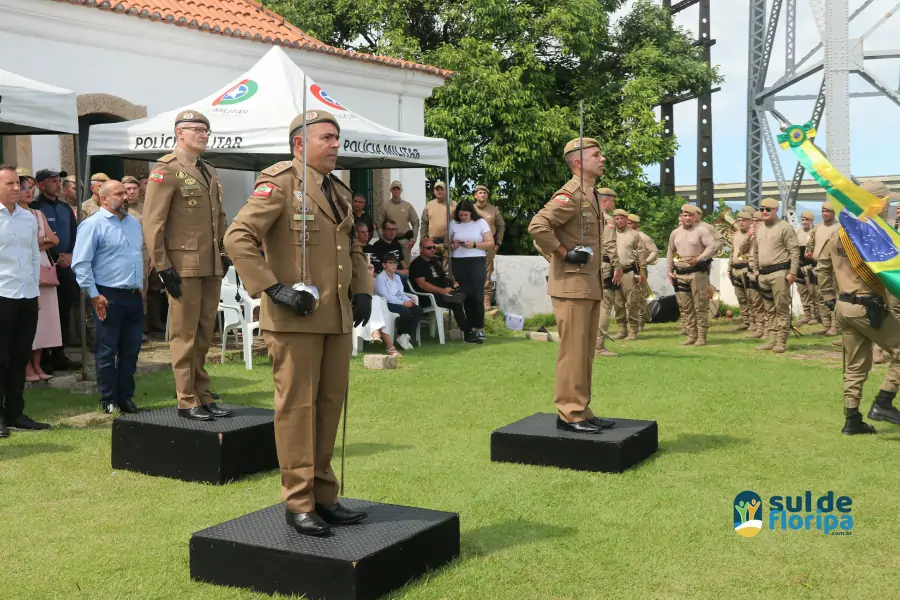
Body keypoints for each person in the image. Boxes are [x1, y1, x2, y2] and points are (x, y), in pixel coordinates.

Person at [224, 109, 373, 536]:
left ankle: (325, 496)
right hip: (294, 319)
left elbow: (353, 247)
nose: (334, 146)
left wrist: (361, 288)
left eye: (337, 139)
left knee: (328, 407)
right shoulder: (281, 184)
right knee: (297, 410)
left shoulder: (338, 191)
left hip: (335, 318)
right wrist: (273, 288)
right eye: (326, 138)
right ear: (298, 143)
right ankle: (299, 501)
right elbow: (237, 238)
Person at [143, 110, 231, 421]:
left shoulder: (208, 169)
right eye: (197, 129)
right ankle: (186, 398)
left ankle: (203, 393)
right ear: (180, 133)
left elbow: (218, 216)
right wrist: (163, 266)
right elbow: (153, 222)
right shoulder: (166, 169)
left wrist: (224, 249)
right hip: (183, 264)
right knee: (185, 334)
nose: (204, 134)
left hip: (209, 263)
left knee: (206, 332)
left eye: (206, 130)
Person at [528, 137, 618, 434]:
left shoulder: (590, 194)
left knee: (585, 351)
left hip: (587, 284)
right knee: (573, 351)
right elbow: (538, 226)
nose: (602, 158)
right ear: (578, 162)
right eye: (596, 155)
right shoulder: (570, 195)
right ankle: (569, 413)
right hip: (571, 285)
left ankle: (581, 408)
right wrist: (565, 253)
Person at [815, 220, 900, 435]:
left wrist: (829, 299)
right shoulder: (872, 233)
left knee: (854, 366)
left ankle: (852, 419)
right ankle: (884, 401)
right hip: (869, 306)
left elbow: (822, 266)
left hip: (844, 306)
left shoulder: (838, 233)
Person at [72, 181, 146, 414]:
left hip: (133, 295)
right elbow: (81, 264)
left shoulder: (134, 223)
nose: (125, 197)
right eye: (119, 193)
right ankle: (108, 398)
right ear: (104, 199)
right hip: (108, 295)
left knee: (131, 351)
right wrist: (94, 295)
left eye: (126, 193)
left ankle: (126, 397)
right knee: (107, 350)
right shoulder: (93, 225)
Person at [0, 166, 45, 437]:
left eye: (18, 183)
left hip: (27, 294)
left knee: (20, 357)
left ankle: (15, 412)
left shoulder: (28, 218)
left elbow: (32, 256)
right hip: (2, 294)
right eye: (9, 184)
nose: (17, 188)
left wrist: (35, 289)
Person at [30, 169, 82, 372]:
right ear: (41, 185)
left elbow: (75, 234)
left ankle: (60, 353)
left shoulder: (65, 208)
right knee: (45, 313)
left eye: (59, 181)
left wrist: (70, 255)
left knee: (64, 310)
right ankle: (43, 357)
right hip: (46, 266)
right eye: (53, 181)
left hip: (66, 267)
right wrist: (55, 257)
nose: (58, 184)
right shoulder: (35, 208)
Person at [18, 175, 61, 382]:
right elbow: (22, 244)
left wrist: (40, 241)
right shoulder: (11, 216)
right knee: (27, 321)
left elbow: (54, 239)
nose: (28, 191)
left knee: (45, 322)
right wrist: (43, 241)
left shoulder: (37, 213)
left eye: (31, 187)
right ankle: (25, 366)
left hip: (44, 269)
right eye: (23, 187)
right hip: (26, 269)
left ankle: (37, 364)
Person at [749, 198, 799, 354]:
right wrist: (756, 271)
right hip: (763, 274)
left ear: (776, 210)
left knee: (781, 308)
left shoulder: (785, 227)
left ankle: (781, 341)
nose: (764, 212)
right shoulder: (759, 229)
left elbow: (794, 251)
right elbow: (755, 251)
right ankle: (772, 338)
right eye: (762, 209)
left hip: (779, 273)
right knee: (769, 309)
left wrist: (792, 272)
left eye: (768, 209)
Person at [409, 237, 478, 344]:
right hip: (427, 297)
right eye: (429, 248)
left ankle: (473, 328)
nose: (432, 250)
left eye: (433, 247)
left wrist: (453, 283)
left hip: (442, 293)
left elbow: (442, 277)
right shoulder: (417, 264)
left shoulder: (434, 262)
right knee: (456, 302)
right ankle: (468, 333)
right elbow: (422, 285)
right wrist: (442, 291)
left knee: (469, 292)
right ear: (421, 249)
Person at [666, 204, 717, 346]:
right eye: (685, 215)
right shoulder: (675, 233)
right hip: (680, 273)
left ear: (695, 217)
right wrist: (669, 269)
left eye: (690, 215)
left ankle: (701, 337)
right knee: (686, 306)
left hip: (697, 273)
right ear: (681, 216)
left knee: (700, 305)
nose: (687, 218)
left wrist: (700, 258)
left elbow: (712, 246)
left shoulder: (701, 230)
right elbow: (670, 251)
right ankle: (691, 335)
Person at [449, 199, 493, 339]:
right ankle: (469, 329)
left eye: (465, 215)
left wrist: (474, 245)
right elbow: (446, 243)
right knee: (465, 294)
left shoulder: (480, 222)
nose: (462, 217)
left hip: (476, 260)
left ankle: (479, 327)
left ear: (471, 213)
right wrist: (452, 245)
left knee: (477, 295)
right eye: (460, 215)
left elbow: (490, 243)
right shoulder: (453, 223)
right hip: (459, 261)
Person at [607, 209, 644, 341]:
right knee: (617, 303)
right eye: (616, 218)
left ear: (626, 219)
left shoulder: (634, 234)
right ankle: (621, 329)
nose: (619, 221)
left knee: (632, 301)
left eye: (622, 218)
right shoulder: (608, 233)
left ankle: (633, 330)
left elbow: (641, 254)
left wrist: (641, 273)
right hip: (612, 273)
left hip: (628, 271)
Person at [595, 187, 624, 356]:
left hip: (589, 265)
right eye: (612, 201)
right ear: (605, 201)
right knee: (605, 306)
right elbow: (609, 245)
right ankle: (598, 346)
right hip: (605, 266)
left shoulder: (584, 216)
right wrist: (617, 266)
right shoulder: (607, 219)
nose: (613, 205)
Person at [806, 201, 840, 336]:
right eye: (823, 211)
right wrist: (809, 250)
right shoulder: (818, 227)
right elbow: (810, 240)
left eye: (828, 211)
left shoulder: (838, 228)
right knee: (821, 296)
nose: (825, 213)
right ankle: (826, 325)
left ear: (833, 212)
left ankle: (835, 326)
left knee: (833, 297)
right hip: (818, 266)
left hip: (833, 268)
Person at [375, 255, 422, 351]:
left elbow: (400, 293)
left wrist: (408, 300)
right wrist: (403, 303)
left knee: (418, 310)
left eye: (395, 263)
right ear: (384, 265)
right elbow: (385, 296)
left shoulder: (397, 277)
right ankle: (401, 334)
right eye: (391, 263)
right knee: (405, 312)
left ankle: (405, 335)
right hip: (387, 303)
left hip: (399, 301)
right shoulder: (380, 278)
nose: (394, 265)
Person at [473, 185, 506, 310]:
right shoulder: (470, 209)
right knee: (472, 272)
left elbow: (501, 226)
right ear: (475, 195)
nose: (482, 195)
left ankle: (486, 301)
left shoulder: (493, 210)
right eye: (480, 193)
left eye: (485, 193)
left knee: (487, 273)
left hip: (489, 244)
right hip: (472, 245)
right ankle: (474, 301)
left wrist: (498, 243)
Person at [376, 181, 419, 266]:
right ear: (391, 190)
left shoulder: (407, 206)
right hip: (389, 242)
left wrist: (414, 239)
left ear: (401, 190)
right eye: (394, 189)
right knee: (390, 265)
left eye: (398, 189)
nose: (396, 191)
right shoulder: (385, 206)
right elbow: (378, 224)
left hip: (404, 241)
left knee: (405, 266)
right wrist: (381, 237)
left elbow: (416, 223)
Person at [628, 213, 658, 331]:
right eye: (627, 223)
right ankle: (631, 322)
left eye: (630, 223)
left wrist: (645, 262)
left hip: (639, 269)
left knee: (639, 296)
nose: (628, 225)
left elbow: (654, 251)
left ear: (635, 224)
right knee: (628, 298)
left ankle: (640, 322)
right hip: (626, 268)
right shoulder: (622, 235)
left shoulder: (643, 236)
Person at [421, 181, 456, 273]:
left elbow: (459, 223)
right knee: (433, 270)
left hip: (447, 243)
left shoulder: (453, 205)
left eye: (441, 189)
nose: (439, 191)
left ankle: (448, 286)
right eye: (437, 189)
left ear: (446, 191)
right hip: (432, 243)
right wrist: (423, 239)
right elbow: (424, 223)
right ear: (434, 191)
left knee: (448, 271)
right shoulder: (429, 205)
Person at [729, 211, 755, 332]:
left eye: (743, 220)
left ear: (750, 221)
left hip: (746, 268)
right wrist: (729, 268)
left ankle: (754, 323)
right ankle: (746, 321)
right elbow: (732, 252)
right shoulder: (736, 234)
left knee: (751, 297)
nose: (741, 223)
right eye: (739, 220)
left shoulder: (754, 235)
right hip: (735, 269)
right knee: (741, 298)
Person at [795, 210, 818, 325]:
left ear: (811, 220)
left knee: (813, 291)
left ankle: (815, 315)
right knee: (802, 291)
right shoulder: (798, 232)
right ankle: (807, 315)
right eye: (803, 219)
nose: (804, 222)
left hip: (811, 265)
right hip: (799, 266)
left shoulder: (815, 231)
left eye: (806, 220)